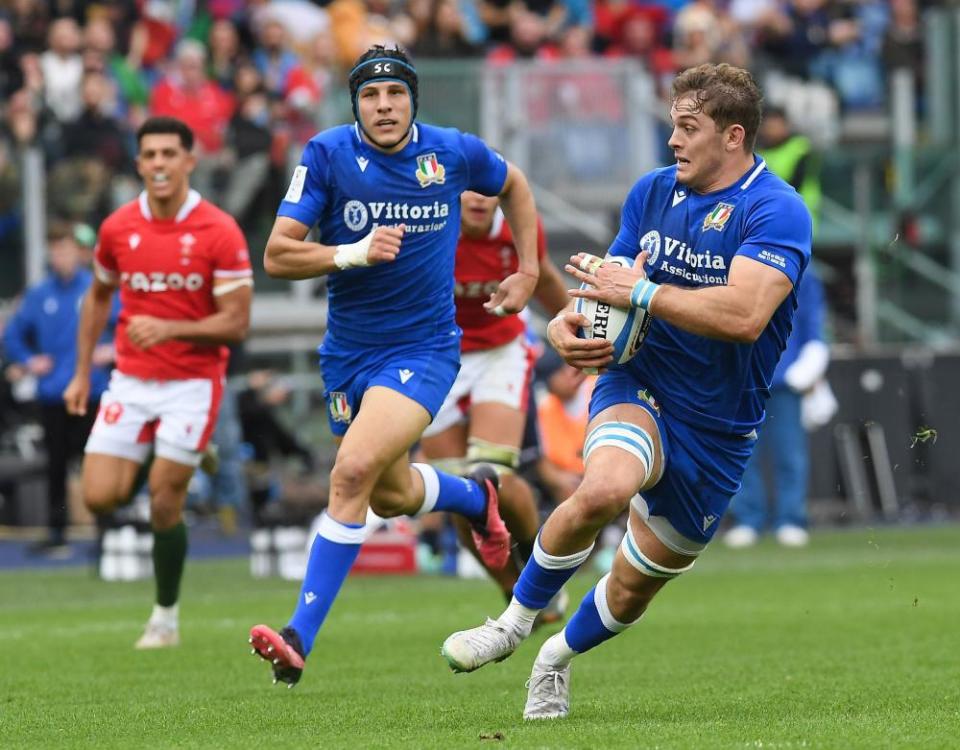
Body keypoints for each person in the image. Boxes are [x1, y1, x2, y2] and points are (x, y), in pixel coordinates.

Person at [440, 62, 812, 720]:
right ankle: (513, 621)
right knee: (605, 488)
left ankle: (553, 657)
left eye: (688, 128)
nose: (673, 140)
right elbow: (607, 289)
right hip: (641, 382)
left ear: (732, 137)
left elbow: (745, 315)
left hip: (719, 428)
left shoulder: (776, 209)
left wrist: (638, 292)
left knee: (634, 588)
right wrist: (566, 325)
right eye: (672, 125)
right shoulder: (650, 194)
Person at [247, 44, 541, 687]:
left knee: (350, 472)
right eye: (372, 96)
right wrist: (351, 253)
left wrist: (528, 270)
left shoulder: (453, 152)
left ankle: (299, 637)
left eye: (396, 94)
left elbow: (514, 184)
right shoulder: (326, 154)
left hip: (425, 350)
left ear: (414, 99)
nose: (385, 105)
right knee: (390, 491)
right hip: (348, 356)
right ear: (355, 104)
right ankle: (473, 496)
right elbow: (276, 255)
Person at [63, 116, 254, 649]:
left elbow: (237, 323)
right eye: (150, 155)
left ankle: (165, 617)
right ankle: (184, 452)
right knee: (100, 496)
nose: (159, 164)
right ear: (139, 162)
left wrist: (170, 327)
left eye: (170, 154)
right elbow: (98, 297)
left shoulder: (220, 230)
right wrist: (81, 374)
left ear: (190, 161)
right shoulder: (117, 228)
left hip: (193, 382)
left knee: (163, 502)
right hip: (131, 381)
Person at [418, 190, 568, 609]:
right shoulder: (429, 230)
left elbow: (548, 280)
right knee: (460, 497)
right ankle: (515, 599)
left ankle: (540, 568)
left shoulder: (517, 230)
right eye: (471, 192)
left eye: (491, 192)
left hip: (500, 353)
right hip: (438, 357)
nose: (481, 200)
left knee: (491, 479)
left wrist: (581, 331)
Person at [3, 221, 116, 557]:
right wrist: (28, 359)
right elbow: (12, 334)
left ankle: (104, 534)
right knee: (56, 465)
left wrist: (113, 351)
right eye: (55, 250)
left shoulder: (96, 289)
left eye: (66, 249)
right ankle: (57, 532)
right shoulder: (40, 295)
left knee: (95, 464)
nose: (61, 256)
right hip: (54, 392)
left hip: (93, 392)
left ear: (79, 254)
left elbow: (128, 324)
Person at [724, 267, 830, 548]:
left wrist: (806, 368)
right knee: (743, 455)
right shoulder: (736, 265)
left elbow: (813, 325)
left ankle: (791, 519)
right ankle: (748, 519)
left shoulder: (805, 276)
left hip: (785, 379)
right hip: (742, 379)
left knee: (790, 454)